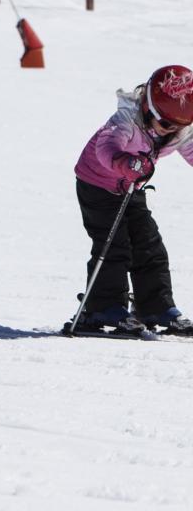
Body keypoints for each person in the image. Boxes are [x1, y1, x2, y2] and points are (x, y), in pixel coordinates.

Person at [72, 64, 193, 335]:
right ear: (149, 109)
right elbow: (106, 148)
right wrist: (125, 162)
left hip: (131, 186)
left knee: (149, 244)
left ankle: (156, 306)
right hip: (97, 184)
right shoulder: (126, 119)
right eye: (165, 123)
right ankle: (103, 307)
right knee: (114, 246)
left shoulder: (176, 128)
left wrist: (135, 171)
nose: (170, 130)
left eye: (180, 125)